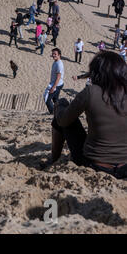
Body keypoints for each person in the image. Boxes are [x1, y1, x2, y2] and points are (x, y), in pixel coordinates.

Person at [47, 51, 127, 179]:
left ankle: (53, 159)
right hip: (125, 168)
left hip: (96, 165)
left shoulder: (91, 91)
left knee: (61, 107)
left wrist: (59, 106)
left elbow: (63, 121)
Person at [44, 48, 64, 114]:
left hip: (57, 84)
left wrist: (53, 87)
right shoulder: (55, 62)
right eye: (53, 54)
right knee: (55, 100)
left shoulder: (59, 64)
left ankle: (53, 114)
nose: (53, 55)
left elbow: (58, 77)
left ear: (59, 55)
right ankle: (59, 112)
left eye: (55, 54)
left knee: (47, 99)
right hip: (56, 83)